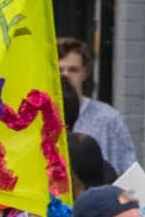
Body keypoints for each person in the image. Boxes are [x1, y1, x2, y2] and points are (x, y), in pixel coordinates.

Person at [54, 37, 136, 174]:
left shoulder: (108, 119)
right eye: (60, 70)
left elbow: (127, 172)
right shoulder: (38, 117)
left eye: (73, 70)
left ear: (85, 72)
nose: (66, 76)